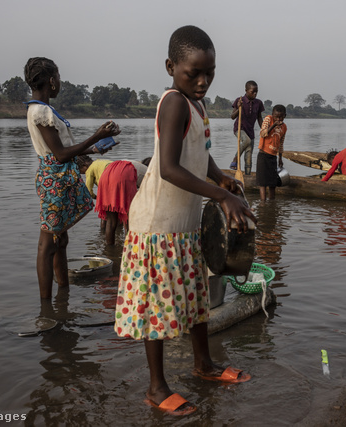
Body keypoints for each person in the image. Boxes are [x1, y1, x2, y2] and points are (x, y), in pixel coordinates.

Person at [114, 25, 256, 416]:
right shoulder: (174, 102)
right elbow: (168, 168)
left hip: (186, 224)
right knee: (154, 310)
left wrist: (220, 175)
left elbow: (199, 151)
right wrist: (222, 195)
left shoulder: (196, 104)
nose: (202, 80)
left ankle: (204, 364)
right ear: (171, 67)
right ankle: (157, 387)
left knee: (195, 302)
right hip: (157, 226)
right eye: (192, 72)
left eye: (209, 72)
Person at [24, 57, 120, 300]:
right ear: (52, 81)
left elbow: (62, 151)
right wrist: (95, 135)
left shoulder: (41, 109)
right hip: (54, 180)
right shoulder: (40, 111)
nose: (61, 83)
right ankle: (46, 306)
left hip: (58, 175)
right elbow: (60, 154)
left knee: (60, 238)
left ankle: (62, 296)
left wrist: (94, 148)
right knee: (47, 244)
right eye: (59, 77)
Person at [76, 156, 140, 246]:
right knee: (126, 214)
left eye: (81, 171)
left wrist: (98, 197)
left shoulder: (90, 169)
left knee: (109, 219)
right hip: (122, 176)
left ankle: (109, 247)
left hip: (108, 183)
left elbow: (88, 191)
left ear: (84, 165)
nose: (83, 173)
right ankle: (129, 244)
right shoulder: (102, 161)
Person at [228, 81, 264, 175]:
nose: (255, 94)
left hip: (250, 131)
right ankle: (235, 158)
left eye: (256, 91)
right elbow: (232, 116)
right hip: (240, 129)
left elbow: (259, 117)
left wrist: (264, 129)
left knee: (249, 155)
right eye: (253, 91)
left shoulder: (258, 103)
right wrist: (239, 108)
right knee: (246, 141)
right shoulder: (239, 100)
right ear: (246, 90)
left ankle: (247, 175)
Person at [256, 104, 287, 200]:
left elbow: (281, 144)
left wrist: (280, 158)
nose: (278, 119)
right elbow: (263, 133)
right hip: (263, 155)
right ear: (273, 115)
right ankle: (263, 204)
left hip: (273, 157)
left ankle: (272, 204)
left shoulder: (284, 127)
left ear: (284, 116)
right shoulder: (268, 119)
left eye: (280, 117)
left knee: (273, 183)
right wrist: (274, 125)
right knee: (263, 183)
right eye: (276, 116)